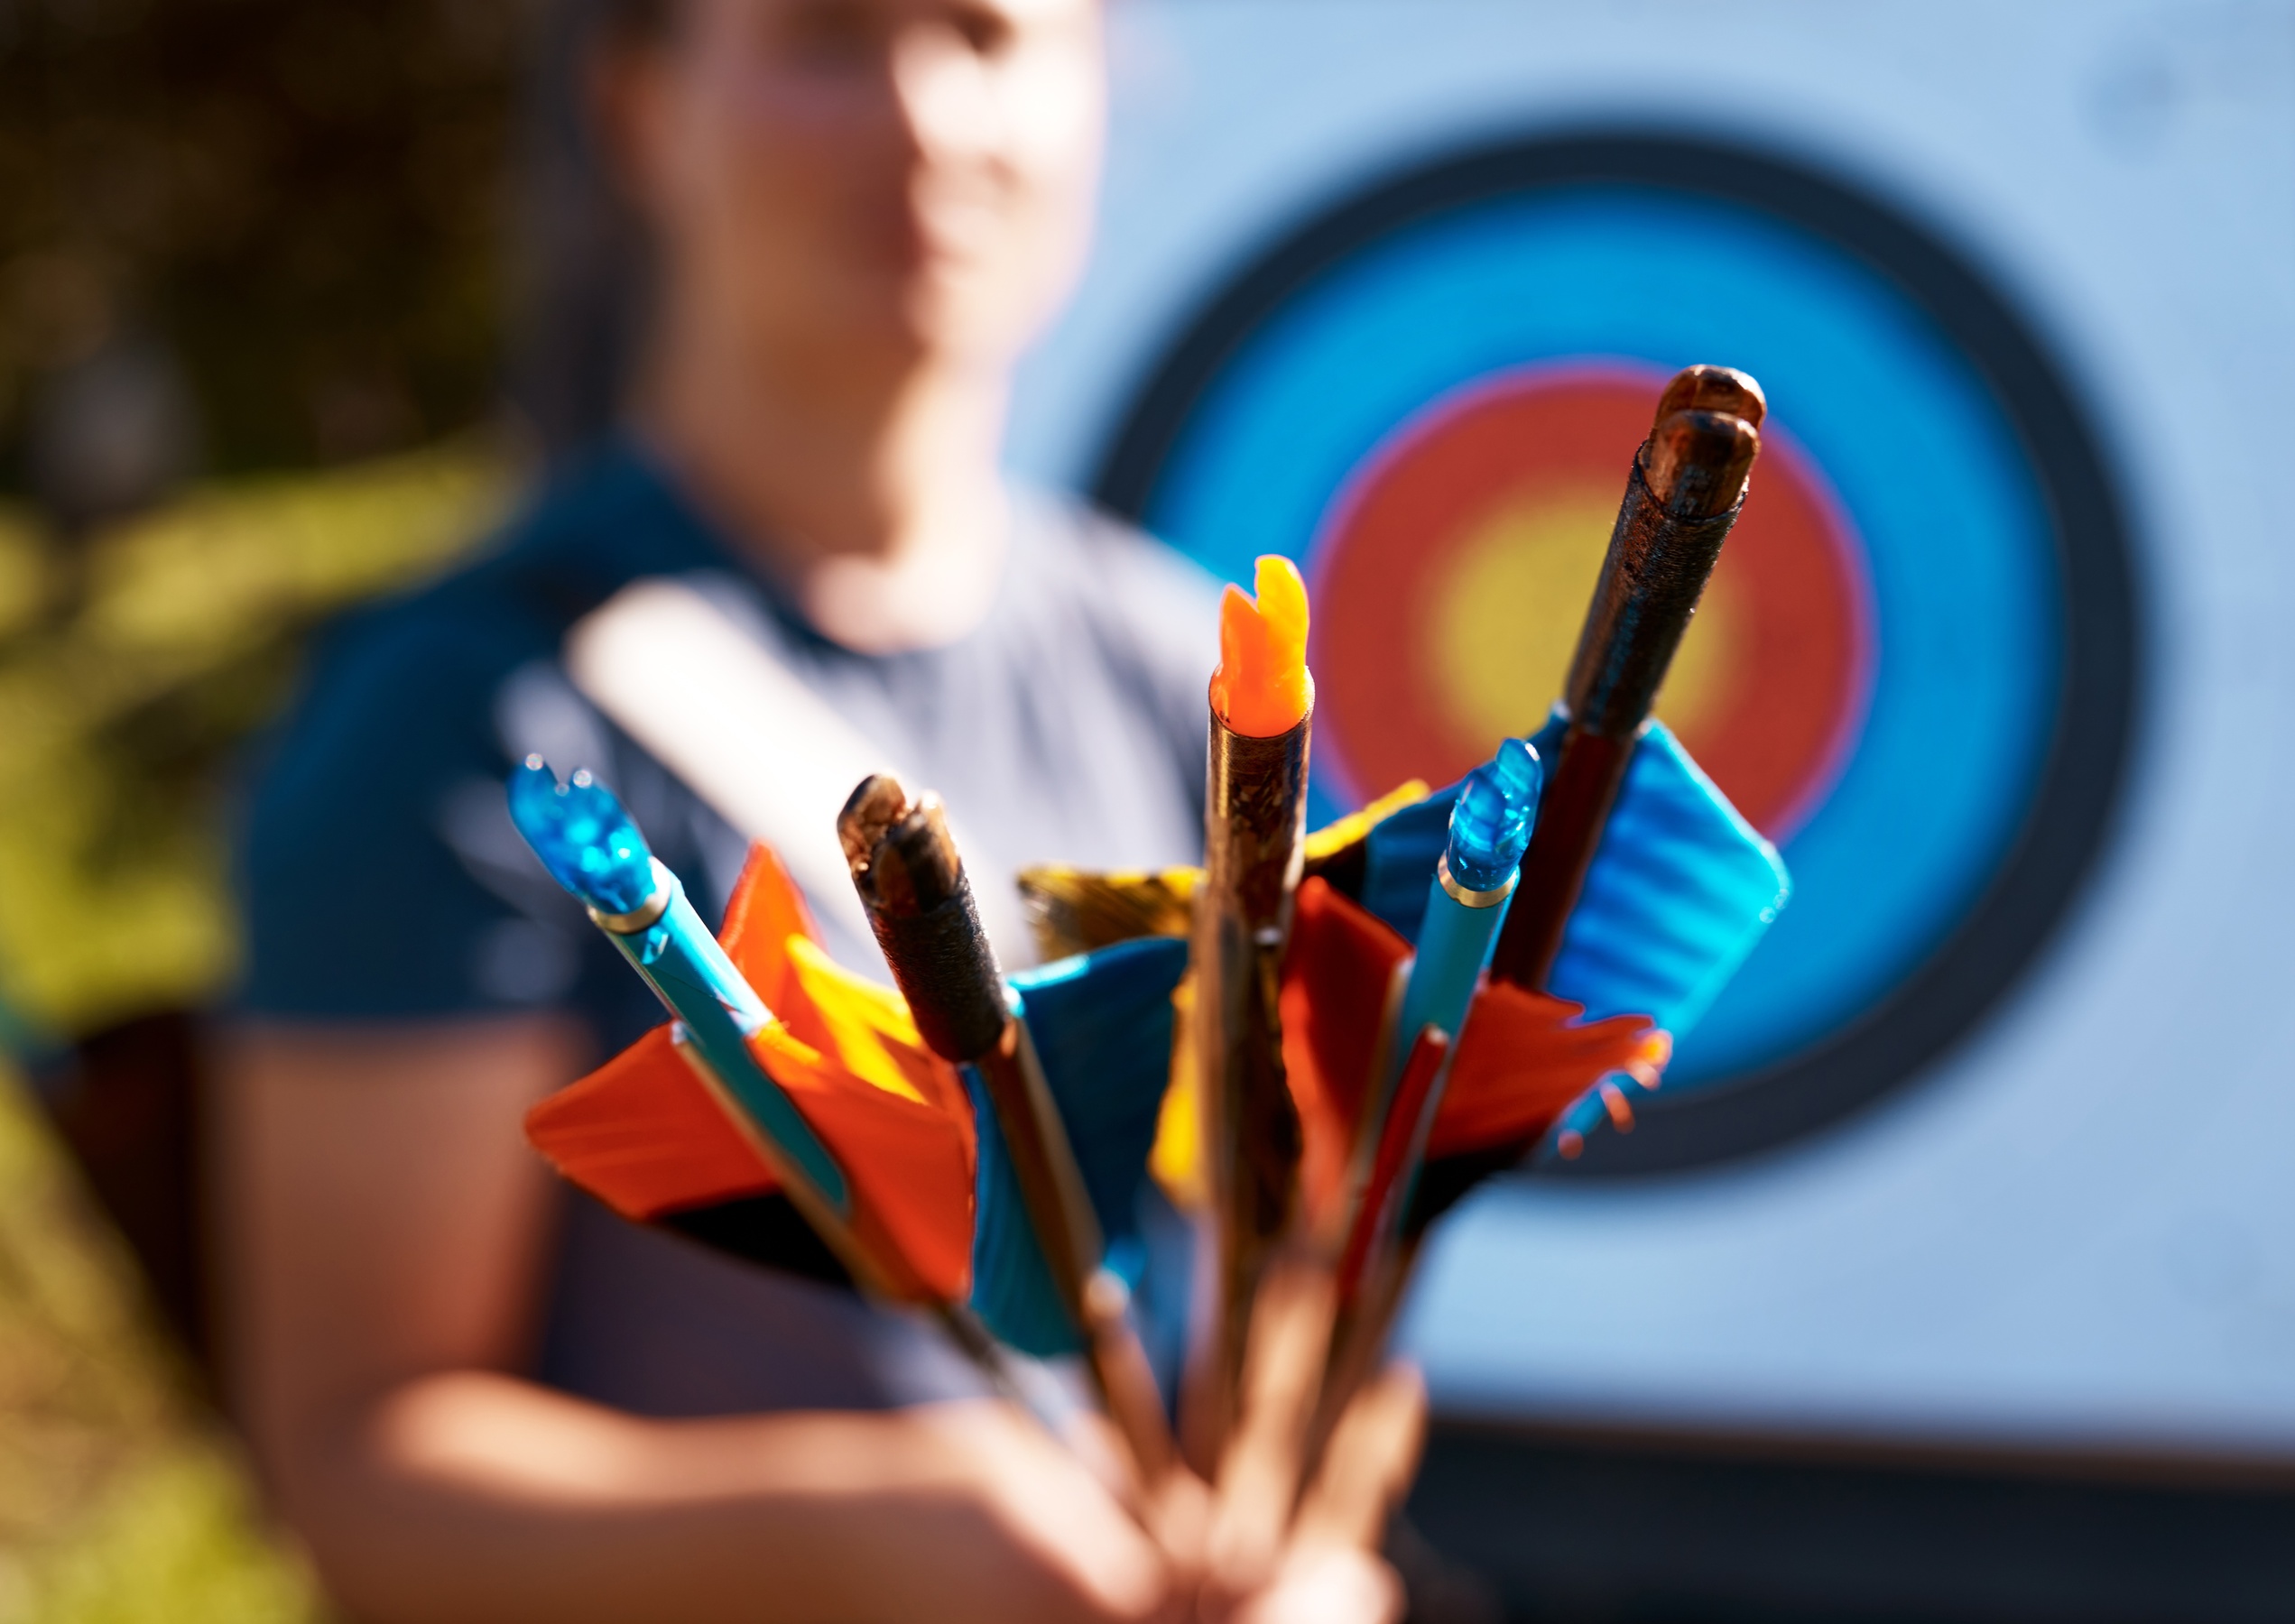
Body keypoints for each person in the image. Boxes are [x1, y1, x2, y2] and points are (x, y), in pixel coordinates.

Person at [217, 1, 1422, 1619]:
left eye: (988, 37)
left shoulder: (1194, 679)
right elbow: (363, 1479)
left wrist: (1315, 1566)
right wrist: (862, 1533)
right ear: (640, 110)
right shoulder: (466, 712)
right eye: (826, 38)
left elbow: (1298, 1318)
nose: (927, 119)